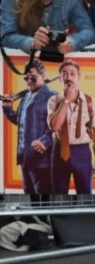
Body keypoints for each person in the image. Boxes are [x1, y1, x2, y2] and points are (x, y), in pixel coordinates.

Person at [1, 59, 56, 202]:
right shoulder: (26, 97)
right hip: (25, 158)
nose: (29, 81)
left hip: (42, 160)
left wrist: (44, 142)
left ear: (42, 76)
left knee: (45, 201)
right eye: (26, 78)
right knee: (33, 200)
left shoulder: (51, 97)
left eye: (33, 78)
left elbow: (58, 127)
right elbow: (20, 121)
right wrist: (7, 108)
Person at [47, 59, 95, 195]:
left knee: (85, 195)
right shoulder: (53, 100)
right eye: (65, 74)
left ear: (79, 77)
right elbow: (54, 126)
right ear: (60, 78)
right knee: (58, 195)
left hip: (82, 152)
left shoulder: (90, 102)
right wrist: (66, 100)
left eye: (72, 74)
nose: (68, 77)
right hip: (59, 151)